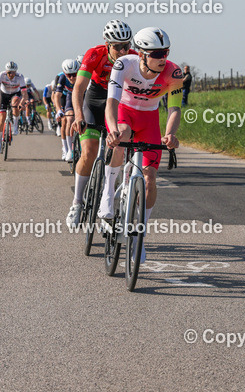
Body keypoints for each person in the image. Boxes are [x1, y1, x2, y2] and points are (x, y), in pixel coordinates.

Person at [102, 27, 184, 251]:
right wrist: (112, 131)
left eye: (165, 52)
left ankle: (140, 236)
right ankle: (108, 193)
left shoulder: (173, 72)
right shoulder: (123, 65)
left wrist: (170, 134)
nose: (163, 58)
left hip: (149, 118)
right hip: (125, 112)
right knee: (123, 135)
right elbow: (112, 102)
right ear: (141, 54)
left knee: (150, 179)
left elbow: (174, 109)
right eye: (157, 54)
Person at [66, 19, 134, 227]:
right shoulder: (94, 54)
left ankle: (106, 200)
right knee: (89, 150)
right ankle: (77, 202)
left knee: (117, 147)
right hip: (95, 99)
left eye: (127, 45)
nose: (123, 51)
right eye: (117, 47)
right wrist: (78, 116)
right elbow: (79, 88)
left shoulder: (134, 57)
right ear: (107, 44)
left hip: (119, 100)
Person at [0, 61, 27, 154]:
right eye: (9, 72)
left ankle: (15, 126)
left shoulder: (20, 77)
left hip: (15, 93)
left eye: (13, 72)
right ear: (6, 71)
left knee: (15, 104)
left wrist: (22, 103)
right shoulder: (1, 75)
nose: (11, 74)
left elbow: (24, 93)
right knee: (2, 118)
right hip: (3, 95)